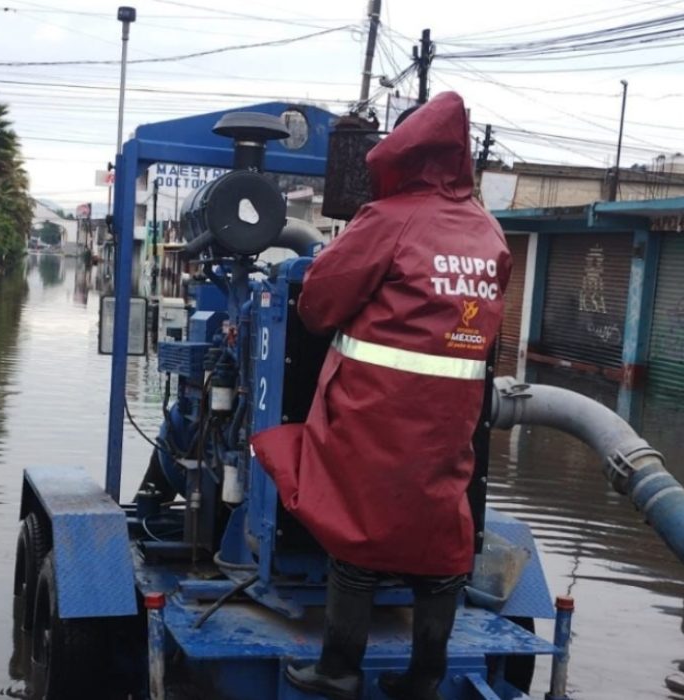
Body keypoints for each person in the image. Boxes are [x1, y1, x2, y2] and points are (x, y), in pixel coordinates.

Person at [252, 92, 512, 700]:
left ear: (401, 155)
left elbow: (317, 304)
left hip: (377, 408)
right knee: (443, 528)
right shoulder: (488, 230)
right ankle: (424, 677)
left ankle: (340, 668)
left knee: (356, 524)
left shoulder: (390, 219)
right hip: (452, 415)